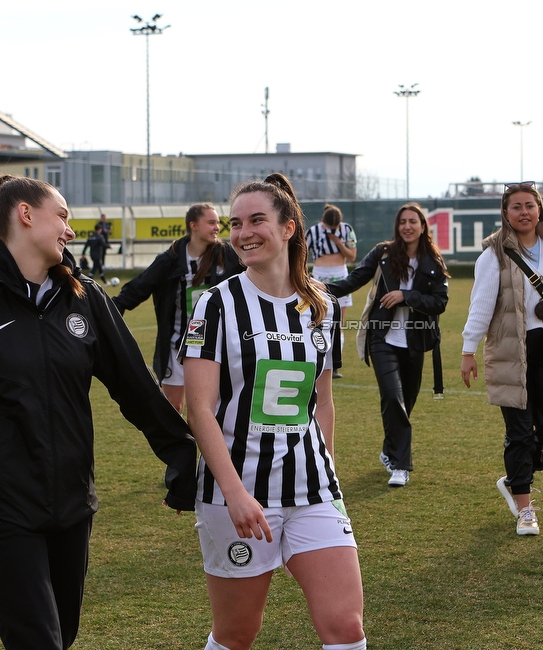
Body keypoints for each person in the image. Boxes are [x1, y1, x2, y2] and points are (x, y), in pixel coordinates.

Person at [0, 175, 197, 650]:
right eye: (61, 215)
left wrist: (183, 458)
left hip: (72, 505)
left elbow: (138, 391)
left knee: (62, 636)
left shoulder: (86, 298)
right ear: (25, 214)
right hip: (1, 509)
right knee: (37, 641)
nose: (69, 230)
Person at [182, 173, 365, 650]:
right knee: (238, 634)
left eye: (257, 219)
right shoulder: (215, 305)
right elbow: (198, 409)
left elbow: (322, 399)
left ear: (288, 227)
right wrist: (234, 491)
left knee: (345, 627)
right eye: (236, 223)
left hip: (314, 489)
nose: (244, 233)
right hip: (237, 494)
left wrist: (326, 465)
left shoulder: (322, 305)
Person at [460, 182, 543, 535]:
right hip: (510, 353)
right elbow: (481, 306)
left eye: (529, 205)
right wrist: (468, 350)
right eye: (516, 206)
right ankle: (525, 507)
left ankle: (515, 478)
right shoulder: (494, 255)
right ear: (505, 212)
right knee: (519, 433)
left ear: (539, 209)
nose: (524, 212)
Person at [326, 203, 449, 488]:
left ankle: (390, 450)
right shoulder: (383, 253)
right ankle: (400, 466)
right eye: (402, 221)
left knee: (405, 403)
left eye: (413, 221)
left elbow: (440, 303)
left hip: (416, 342)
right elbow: (354, 280)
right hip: (381, 338)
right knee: (393, 397)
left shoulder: (433, 260)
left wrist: (406, 296)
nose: (407, 226)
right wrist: (316, 287)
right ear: (397, 226)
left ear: (422, 226)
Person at [113, 202, 242, 413]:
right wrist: (108, 311)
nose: (217, 227)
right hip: (177, 345)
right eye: (211, 222)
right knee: (172, 407)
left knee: (214, 407)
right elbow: (138, 288)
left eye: (218, 222)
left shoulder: (227, 255)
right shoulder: (171, 258)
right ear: (193, 225)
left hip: (218, 344)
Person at [306, 203, 358, 378]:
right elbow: (302, 253)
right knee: (317, 319)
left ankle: (334, 365)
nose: (333, 230)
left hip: (340, 275)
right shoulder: (313, 231)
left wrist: (338, 243)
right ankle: (315, 360)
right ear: (323, 221)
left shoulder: (347, 230)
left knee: (338, 323)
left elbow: (352, 256)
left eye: (335, 228)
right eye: (329, 228)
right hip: (319, 275)